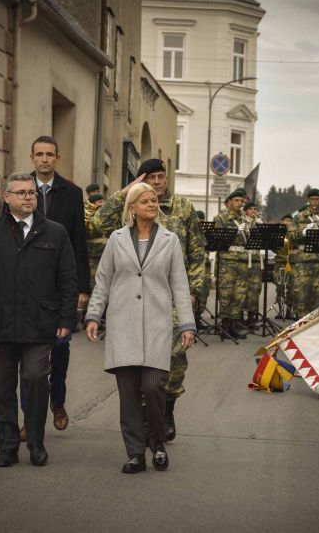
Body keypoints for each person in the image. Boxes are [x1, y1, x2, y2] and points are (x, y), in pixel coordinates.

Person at [0, 172, 78, 467]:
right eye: (22, 192)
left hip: (40, 323)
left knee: (36, 378)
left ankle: (36, 442)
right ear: (7, 197)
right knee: (1, 389)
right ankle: (7, 446)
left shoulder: (55, 232)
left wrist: (67, 318)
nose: (28, 197)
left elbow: (67, 279)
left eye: (32, 192)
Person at [92, 158, 206, 442]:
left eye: (160, 177)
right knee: (136, 364)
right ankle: (145, 418)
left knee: (173, 359)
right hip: (134, 300)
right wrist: (126, 191)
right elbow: (98, 223)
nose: (156, 182)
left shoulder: (183, 208)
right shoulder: (129, 206)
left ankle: (166, 410)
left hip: (171, 296)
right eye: (150, 177)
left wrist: (194, 292)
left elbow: (197, 253)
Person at [23, 135, 90, 436]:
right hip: (27, 284)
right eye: (39, 154)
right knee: (27, 353)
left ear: (57, 158)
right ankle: (29, 419)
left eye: (50, 154)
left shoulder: (72, 193)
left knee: (60, 347)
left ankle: (58, 400)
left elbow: (79, 241)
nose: (44, 159)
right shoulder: (20, 188)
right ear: (32, 158)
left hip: (61, 285)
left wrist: (82, 288)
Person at [213, 189, 254, 338]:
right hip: (227, 260)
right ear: (229, 202)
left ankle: (233, 325)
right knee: (226, 293)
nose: (239, 203)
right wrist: (235, 232)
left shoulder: (245, 218)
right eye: (236, 200)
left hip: (242, 259)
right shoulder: (221, 217)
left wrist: (251, 227)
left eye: (242, 201)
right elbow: (217, 238)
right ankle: (224, 326)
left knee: (240, 294)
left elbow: (252, 239)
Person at [287, 188, 319, 317]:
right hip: (303, 260)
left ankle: (317, 320)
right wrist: (303, 232)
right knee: (301, 292)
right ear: (308, 200)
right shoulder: (299, 216)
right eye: (312, 199)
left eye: (317, 199)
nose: (315, 202)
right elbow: (290, 235)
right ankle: (301, 319)